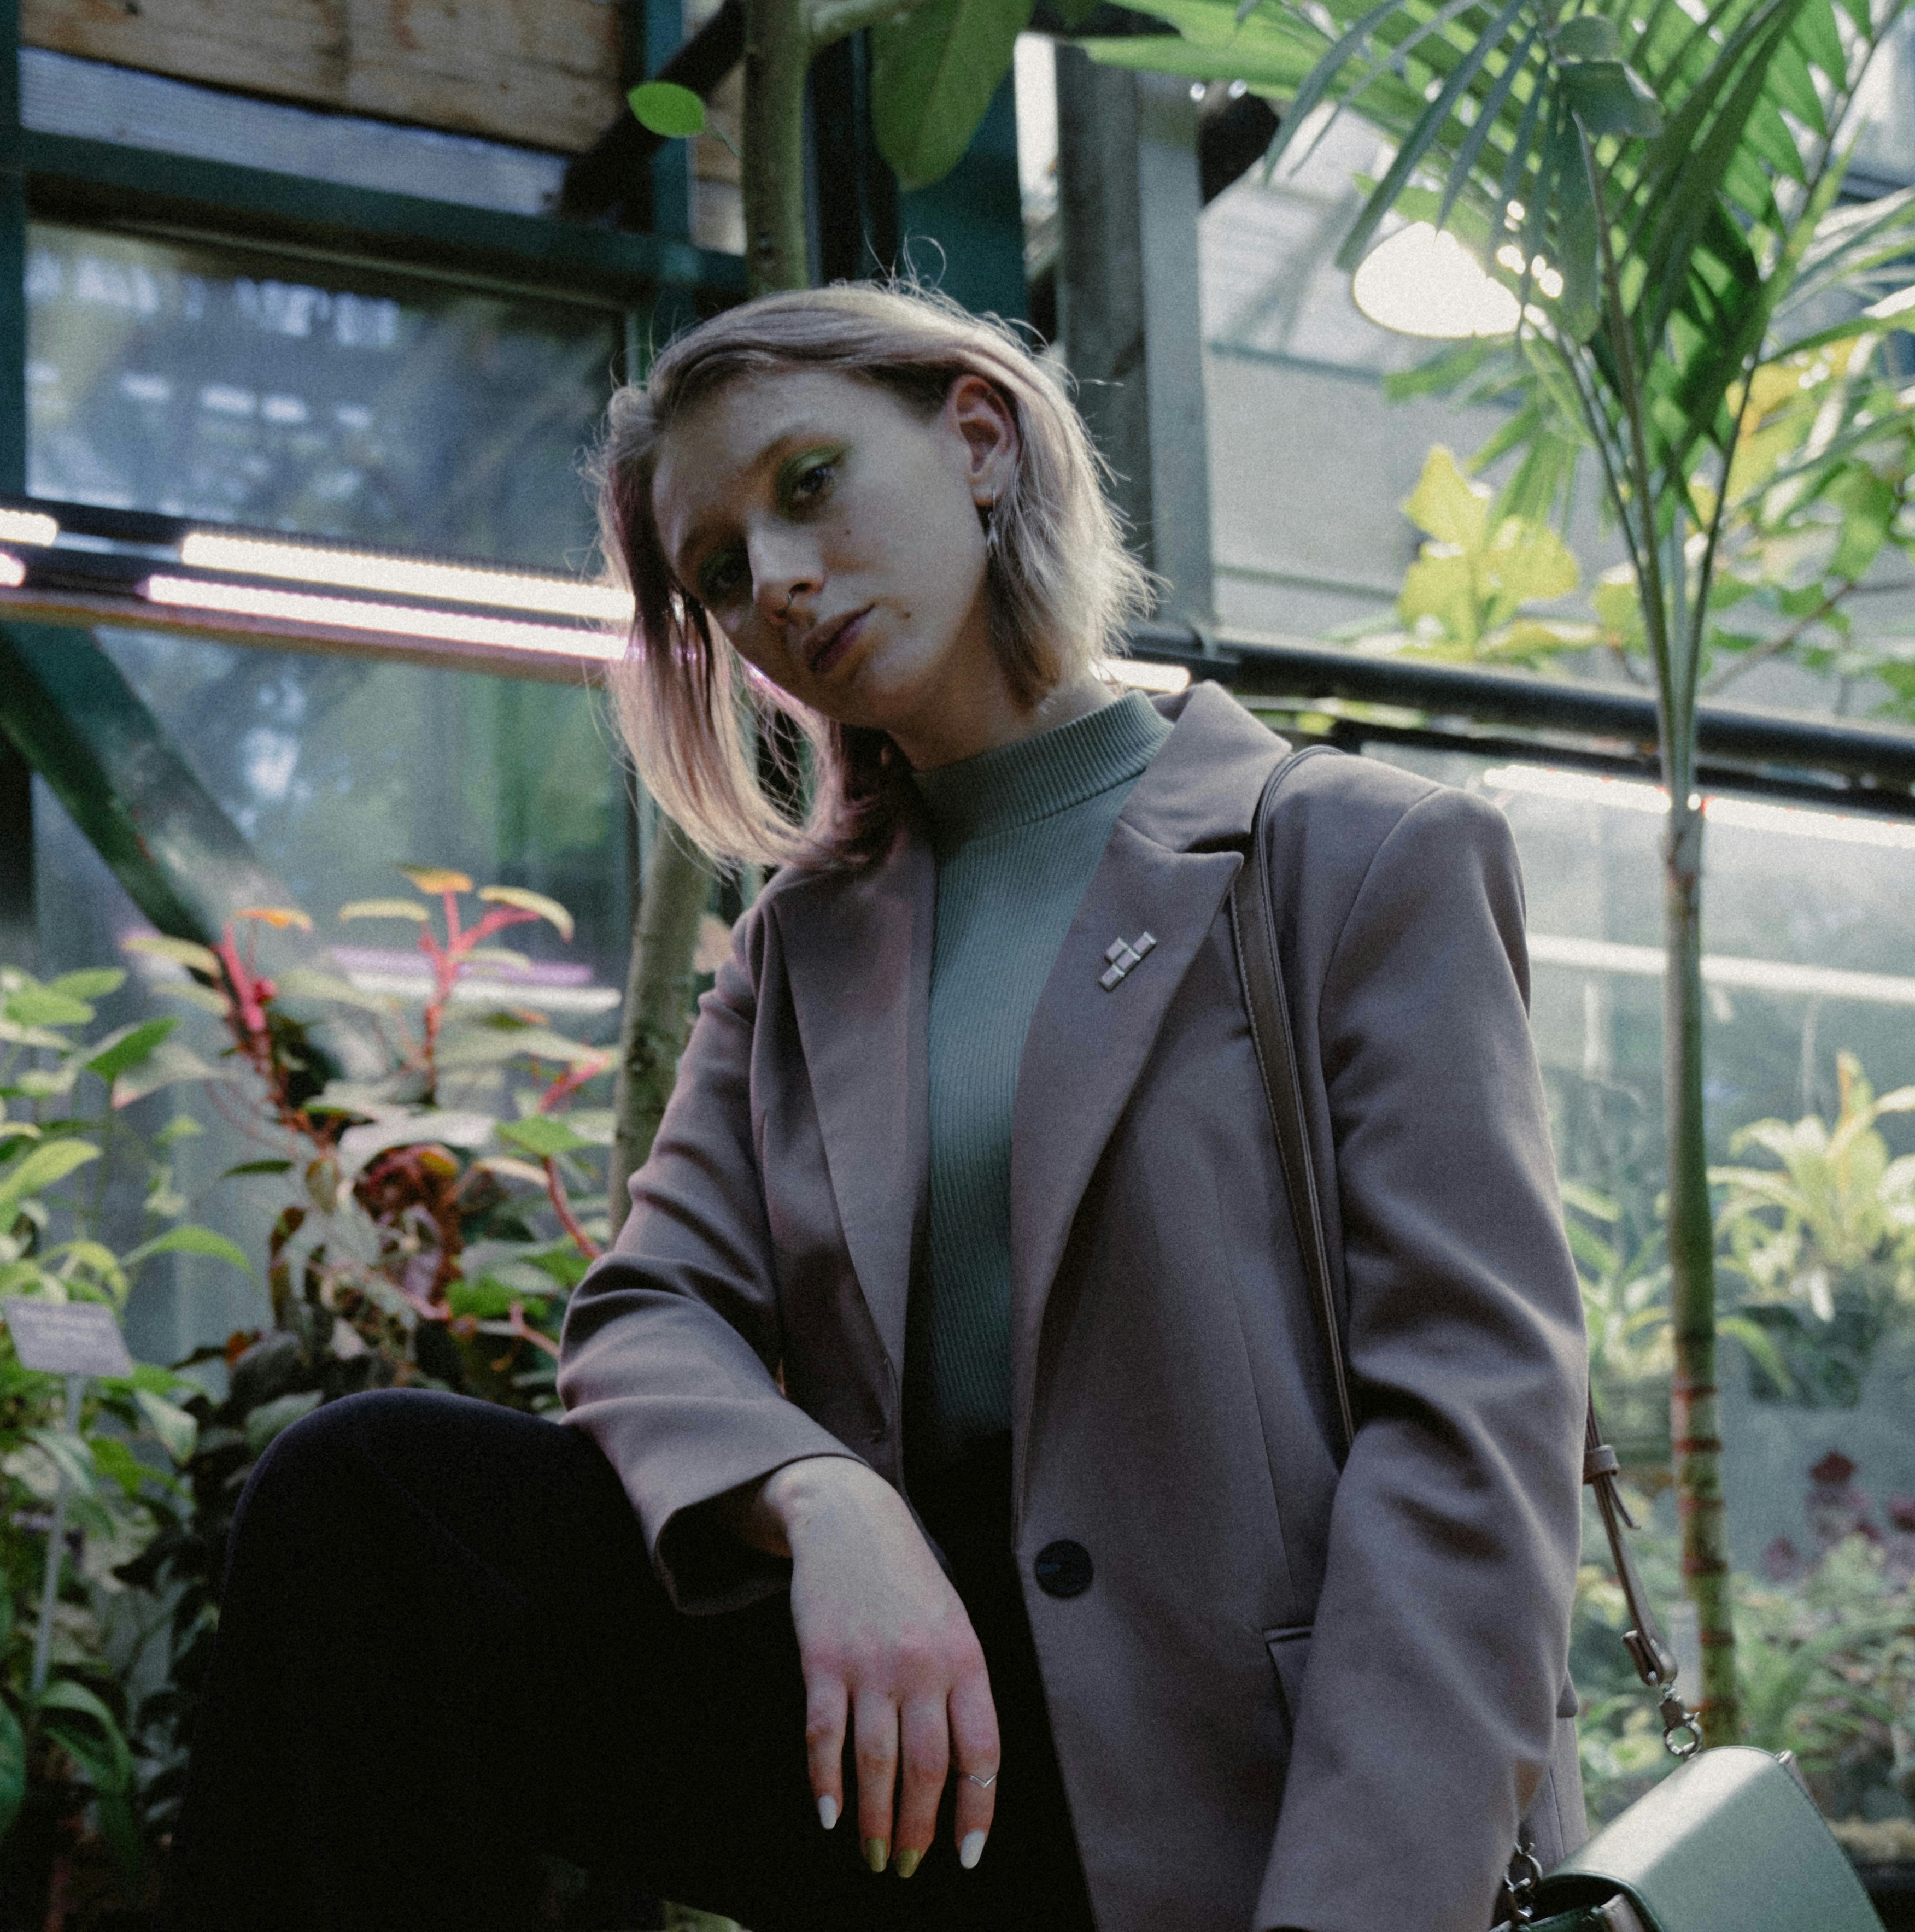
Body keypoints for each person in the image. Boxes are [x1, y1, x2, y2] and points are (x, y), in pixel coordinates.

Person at [168, 282, 1588, 1932]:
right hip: (926, 1772)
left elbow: (1475, 1439)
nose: (773, 581)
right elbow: (648, 1310)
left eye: (811, 484)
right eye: (717, 573)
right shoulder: (807, 947)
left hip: (1245, 1799)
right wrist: (823, 1498)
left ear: (979, 439)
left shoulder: (1350, 857)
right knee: (371, 1507)